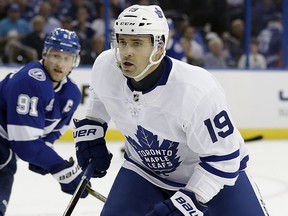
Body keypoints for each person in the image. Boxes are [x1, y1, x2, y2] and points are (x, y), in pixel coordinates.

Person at [73, 5, 269, 216]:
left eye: (137, 43)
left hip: (216, 178)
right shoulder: (106, 65)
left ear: (159, 46)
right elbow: (101, 93)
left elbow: (223, 158)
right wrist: (93, 124)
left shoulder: (196, 90)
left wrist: (192, 199)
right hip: (144, 171)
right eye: (122, 42)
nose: (126, 52)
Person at [0, 28, 88, 216]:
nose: (60, 63)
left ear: (75, 61)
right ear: (45, 54)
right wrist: (61, 168)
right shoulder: (30, 81)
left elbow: (52, 132)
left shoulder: (71, 94)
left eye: (67, 58)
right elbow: (25, 145)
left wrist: (45, 153)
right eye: (56, 55)